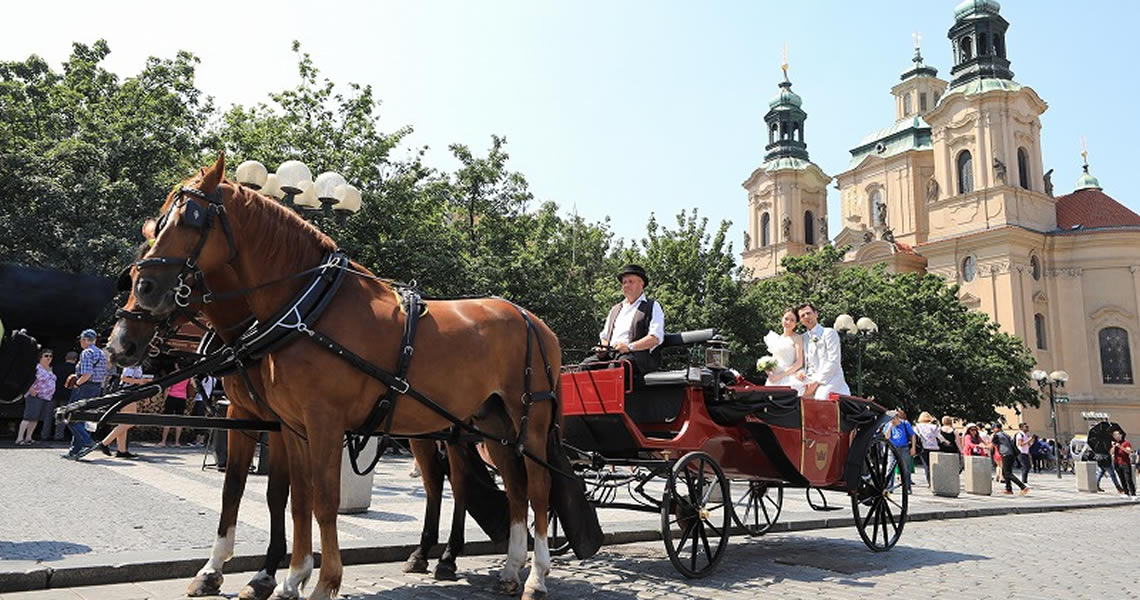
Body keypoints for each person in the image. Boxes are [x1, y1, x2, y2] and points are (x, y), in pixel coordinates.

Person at [584, 264, 665, 380]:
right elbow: (605, 337)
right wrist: (603, 347)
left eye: (630, 281)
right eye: (624, 282)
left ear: (641, 284)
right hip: (611, 355)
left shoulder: (652, 306)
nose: (626, 285)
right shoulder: (615, 309)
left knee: (616, 367)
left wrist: (629, 347)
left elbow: (655, 338)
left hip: (636, 357)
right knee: (584, 367)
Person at [62, 329, 106, 460]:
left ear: (85, 340)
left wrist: (77, 383)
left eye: (81, 339)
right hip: (96, 388)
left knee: (71, 416)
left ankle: (87, 442)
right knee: (82, 417)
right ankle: (75, 450)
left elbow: (87, 374)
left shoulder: (87, 352)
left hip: (85, 387)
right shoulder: (101, 353)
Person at [794, 303, 850, 400]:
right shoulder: (802, 338)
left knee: (820, 398)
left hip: (830, 379)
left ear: (816, 314)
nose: (806, 317)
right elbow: (801, 362)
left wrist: (816, 382)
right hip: (809, 378)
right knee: (792, 392)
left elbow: (834, 361)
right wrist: (801, 372)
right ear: (801, 321)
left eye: (808, 313)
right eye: (803, 316)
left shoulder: (829, 333)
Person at [94, 364, 148, 458]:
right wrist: (140, 381)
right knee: (130, 422)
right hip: (128, 392)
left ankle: (121, 450)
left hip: (129, 391)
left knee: (124, 421)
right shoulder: (133, 364)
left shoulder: (135, 363)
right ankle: (105, 442)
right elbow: (124, 378)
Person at [761, 308, 805, 395]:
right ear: (782, 318)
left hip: (788, 376)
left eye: (792, 320)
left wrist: (780, 376)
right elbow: (774, 359)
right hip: (774, 377)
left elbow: (799, 362)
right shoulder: (777, 338)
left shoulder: (797, 338)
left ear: (796, 323)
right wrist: (768, 370)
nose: (788, 322)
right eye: (786, 319)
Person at [16, 349, 56, 445]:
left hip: (45, 397)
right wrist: (30, 389)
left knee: (35, 418)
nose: (48, 358)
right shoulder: (36, 368)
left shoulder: (50, 369)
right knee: (28, 417)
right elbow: (25, 379)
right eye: (46, 356)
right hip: (35, 395)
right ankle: (19, 438)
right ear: (40, 357)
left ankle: (28, 437)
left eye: (50, 356)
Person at [991, 423, 1029, 495]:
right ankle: (1008, 489)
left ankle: (1023, 487)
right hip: (1011, 454)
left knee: (1008, 473)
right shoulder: (1006, 434)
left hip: (1006, 454)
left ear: (996, 428)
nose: (993, 430)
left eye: (993, 429)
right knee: (1005, 472)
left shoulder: (997, 435)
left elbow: (992, 445)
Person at [883, 410, 917, 492]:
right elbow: (886, 437)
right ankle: (889, 487)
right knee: (890, 468)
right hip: (892, 448)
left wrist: (913, 447)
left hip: (904, 448)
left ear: (897, 417)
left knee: (905, 468)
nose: (892, 421)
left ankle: (907, 488)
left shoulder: (905, 424)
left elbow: (913, 435)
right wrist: (890, 427)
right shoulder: (888, 424)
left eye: (893, 419)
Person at [51, 351, 79, 441]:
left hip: (55, 393)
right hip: (68, 394)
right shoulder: (76, 369)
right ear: (75, 359)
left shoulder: (57, 367)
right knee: (62, 415)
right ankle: (59, 435)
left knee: (49, 415)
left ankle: (45, 434)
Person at [161, 377, 195, 447]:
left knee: (167, 419)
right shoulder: (188, 376)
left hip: (172, 396)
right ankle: (177, 442)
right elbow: (193, 384)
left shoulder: (174, 375)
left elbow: (168, 388)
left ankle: (163, 441)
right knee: (179, 420)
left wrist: (165, 400)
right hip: (182, 398)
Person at [914, 412, 941, 486]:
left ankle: (930, 482)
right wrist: (946, 442)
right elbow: (939, 436)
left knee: (927, 466)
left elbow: (916, 436)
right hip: (934, 447)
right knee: (935, 465)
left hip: (924, 447)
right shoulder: (933, 426)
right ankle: (936, 481)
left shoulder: (917, 426)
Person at [1110, 430, 1135, 497]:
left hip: (1125, 463)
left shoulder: (1126, 443)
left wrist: (1120, 446)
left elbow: (1129, 451)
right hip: (1117, 464)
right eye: (1114, 435)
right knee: (1122, 479)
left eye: (1117, 435)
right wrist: (1114, 446)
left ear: (1121, 435)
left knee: (1128, 479)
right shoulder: (1115, 444)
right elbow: (1111, 453)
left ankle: (1133, 493)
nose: (1116, 436)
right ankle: (1126, 492)